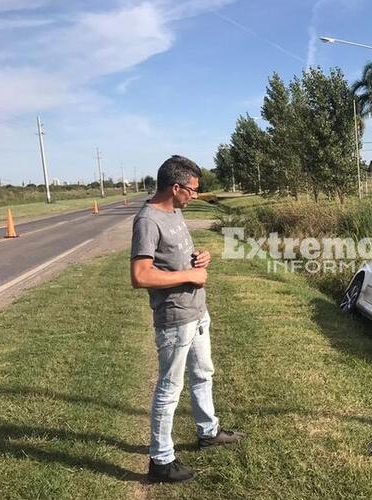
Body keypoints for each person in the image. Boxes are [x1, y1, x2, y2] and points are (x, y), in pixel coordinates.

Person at [130, 155, 242, 483]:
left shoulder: (176, 212)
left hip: (197, 312)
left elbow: (179, 257)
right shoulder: (148, 220)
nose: (194, 196)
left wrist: (200, 259)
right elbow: (140, 275)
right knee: (170, 386)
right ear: (175, 188)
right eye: (192, 190)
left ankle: (208, 432)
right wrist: (189, 277)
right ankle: (161, 460)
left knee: (203, 373)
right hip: (176, 318)